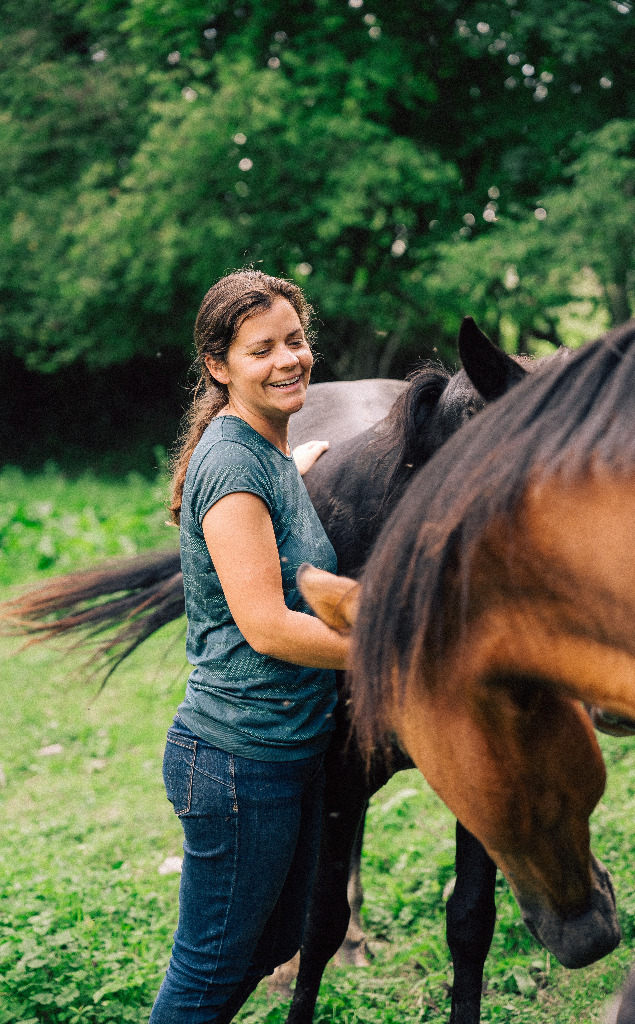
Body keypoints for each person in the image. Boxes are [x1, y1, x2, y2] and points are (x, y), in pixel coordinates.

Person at [149, 269, 349, 1023]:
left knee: (267, 945)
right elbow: (267, 627)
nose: (289, 359)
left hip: (281, 755)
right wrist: (394, 649)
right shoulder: (234, 466)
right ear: (218, 365)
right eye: (261, 349)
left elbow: (257, 511)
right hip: (239, 762)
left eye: (296, 341)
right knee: (206, 975)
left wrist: (290, 472)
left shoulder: (263, 452)